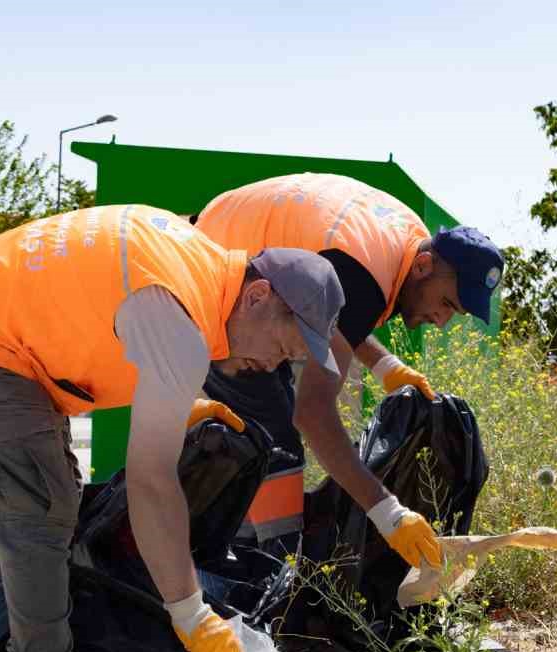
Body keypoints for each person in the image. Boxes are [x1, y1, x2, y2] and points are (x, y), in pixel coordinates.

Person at [0, 204, 345, 652]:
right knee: (38, 513)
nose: (272, 364)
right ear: (259, 296)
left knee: (54, 501)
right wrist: (193, 616)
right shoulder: (182, 319)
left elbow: (100, 304)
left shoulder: (200, 269)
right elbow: (150, 483)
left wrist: (178, 400)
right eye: (285, 346)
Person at [193, 172, 503, 575]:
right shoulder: (365, 270)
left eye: (454, 313)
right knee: (273, 441)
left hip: (231, 246)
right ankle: (274, 579)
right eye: (446, 302)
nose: (441, 321)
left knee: (262, 440)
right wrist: (388, 512)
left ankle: (243, 566)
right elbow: (313, 415)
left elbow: (339, 318)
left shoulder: (404, 242)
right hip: (216, 274)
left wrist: (384, 365)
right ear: (424, 266)